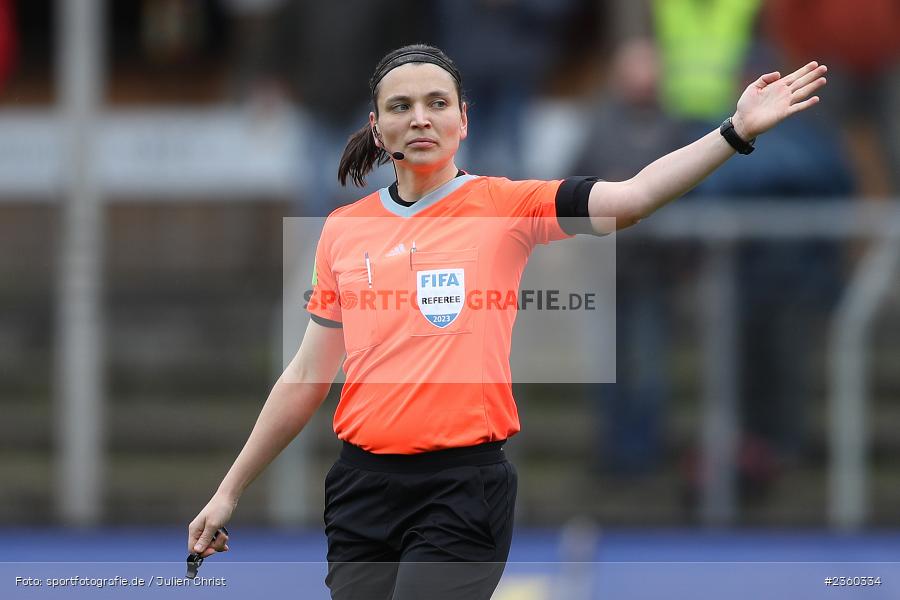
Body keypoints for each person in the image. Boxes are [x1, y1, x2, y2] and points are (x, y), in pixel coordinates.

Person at [187, 43, 828, 599]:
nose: (420, 118)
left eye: (437, 103)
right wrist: (228, 490)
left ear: (464, 120)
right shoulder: (341, 231)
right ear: (378, 129)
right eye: (401, 106)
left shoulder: (505, 206)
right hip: (360, 488)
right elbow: (306, 375)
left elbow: (630, 198)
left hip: (462, 487)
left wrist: (733, 132)